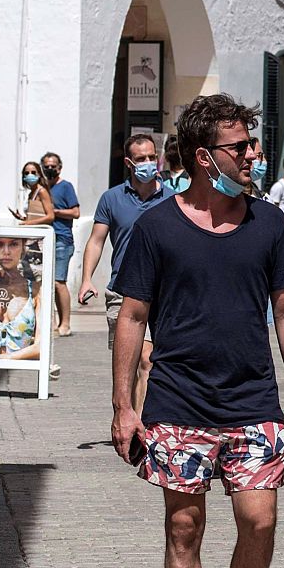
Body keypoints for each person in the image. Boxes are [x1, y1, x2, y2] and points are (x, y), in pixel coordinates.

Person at [110, 93, 284, 568]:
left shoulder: (269, 223)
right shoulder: (157, 227)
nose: (253, 155)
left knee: (260, 522)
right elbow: (132, 315)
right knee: (184, 526)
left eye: (251, 145)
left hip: (253, 399)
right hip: (177, 401)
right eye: (240, 147)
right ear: (204, 157)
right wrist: (124, 404)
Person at [80, 135, 167, 411]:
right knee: (127, 364)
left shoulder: (172, 199)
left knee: (147, 359)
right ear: (129, 163)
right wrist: (86, 280)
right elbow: (96, 241)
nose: (148, 163)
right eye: (141, 159)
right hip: (122, 290)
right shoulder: (112, 199)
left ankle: (141, 425)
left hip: (162, 291)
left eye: (152, 157)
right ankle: (126, 416)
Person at [41, 152, 80, 337]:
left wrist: (54, 211)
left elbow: (76, 212)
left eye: (53, 166)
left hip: (62, 240)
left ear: (59, 167)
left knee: (58, 282)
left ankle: (65, 323)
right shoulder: (40, 188)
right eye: (46, 166)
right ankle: (52, 323)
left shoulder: (65, 187)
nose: (50, 169)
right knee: (47, 283)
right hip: (43, 240)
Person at [11, 161, 56, 227]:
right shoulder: (31, 194)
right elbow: (36, 217)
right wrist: (22, 218)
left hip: (41, 233)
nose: (30, 175)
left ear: (39, 174)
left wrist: (28, 223)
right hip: (33, 231)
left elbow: (50, 216)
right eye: (26, 173)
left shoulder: (42, 191)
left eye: (33, 172)